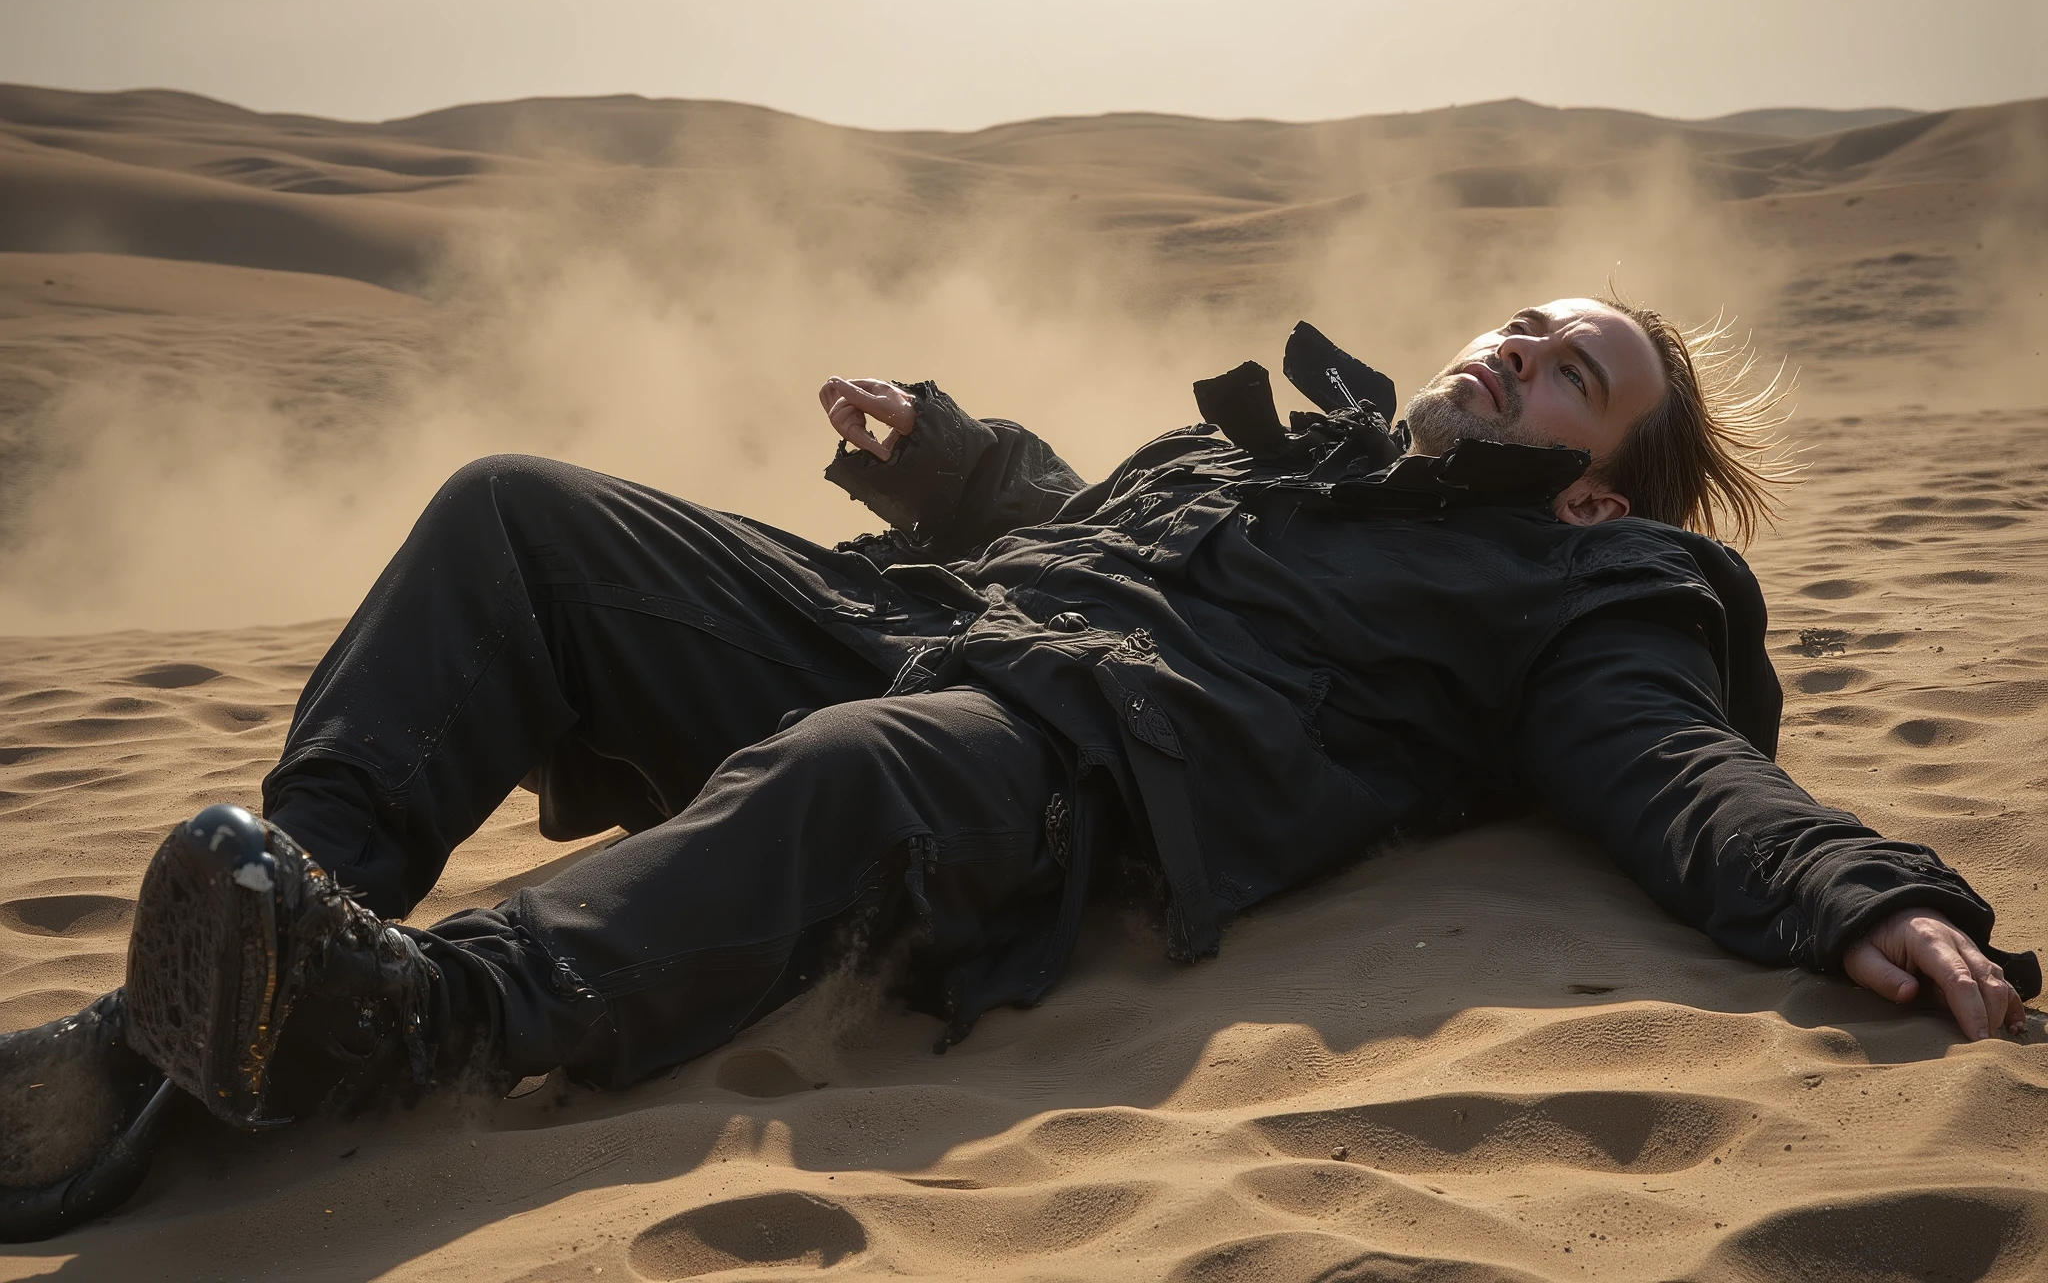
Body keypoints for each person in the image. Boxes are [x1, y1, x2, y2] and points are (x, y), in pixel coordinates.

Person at [2, 298, 2034, 1242]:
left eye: (1572, 370)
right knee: (513, 509)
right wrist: (959, 464)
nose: (1515, 349)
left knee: (868, 761)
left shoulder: (1585, 585)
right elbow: (1085, 530)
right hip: (926, 631)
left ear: (1601, 489)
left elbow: (1672, 764)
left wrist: (1848, 889)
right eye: (1525, 323)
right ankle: (300, 909)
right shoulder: (1288, 452)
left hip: (1071, 768)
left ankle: (420, 1020)